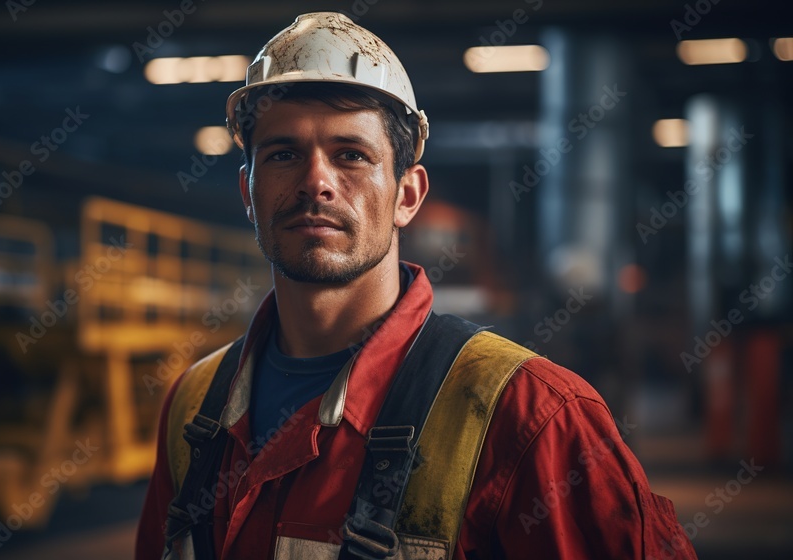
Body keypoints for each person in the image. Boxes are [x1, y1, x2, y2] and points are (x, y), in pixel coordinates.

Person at [137, 12, 696, 560]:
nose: (316, 182)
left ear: (408, 195)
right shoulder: (193, 404)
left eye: (350, 155)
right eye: (283, 154)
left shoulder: (530, 416)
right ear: (248, 193)